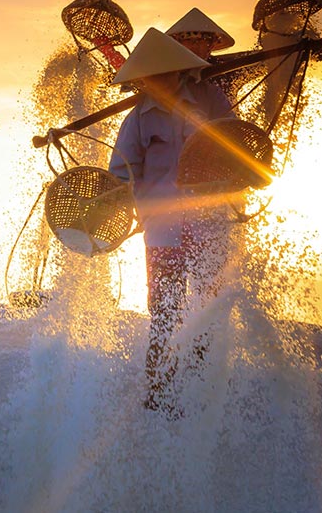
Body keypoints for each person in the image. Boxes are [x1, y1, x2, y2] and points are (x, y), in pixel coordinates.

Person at [107, 28, 234, 414]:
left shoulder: (209, 98)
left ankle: (200, 387)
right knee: (163, 310)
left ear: (178, 72)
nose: (155, 82)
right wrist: (116, 198)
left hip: (209, 222)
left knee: (207, 308)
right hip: (162, 232)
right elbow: (121, 173)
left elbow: (236, 143)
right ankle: (158, 393)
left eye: (163, 74)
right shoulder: (137, 119)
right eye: (149, 77)